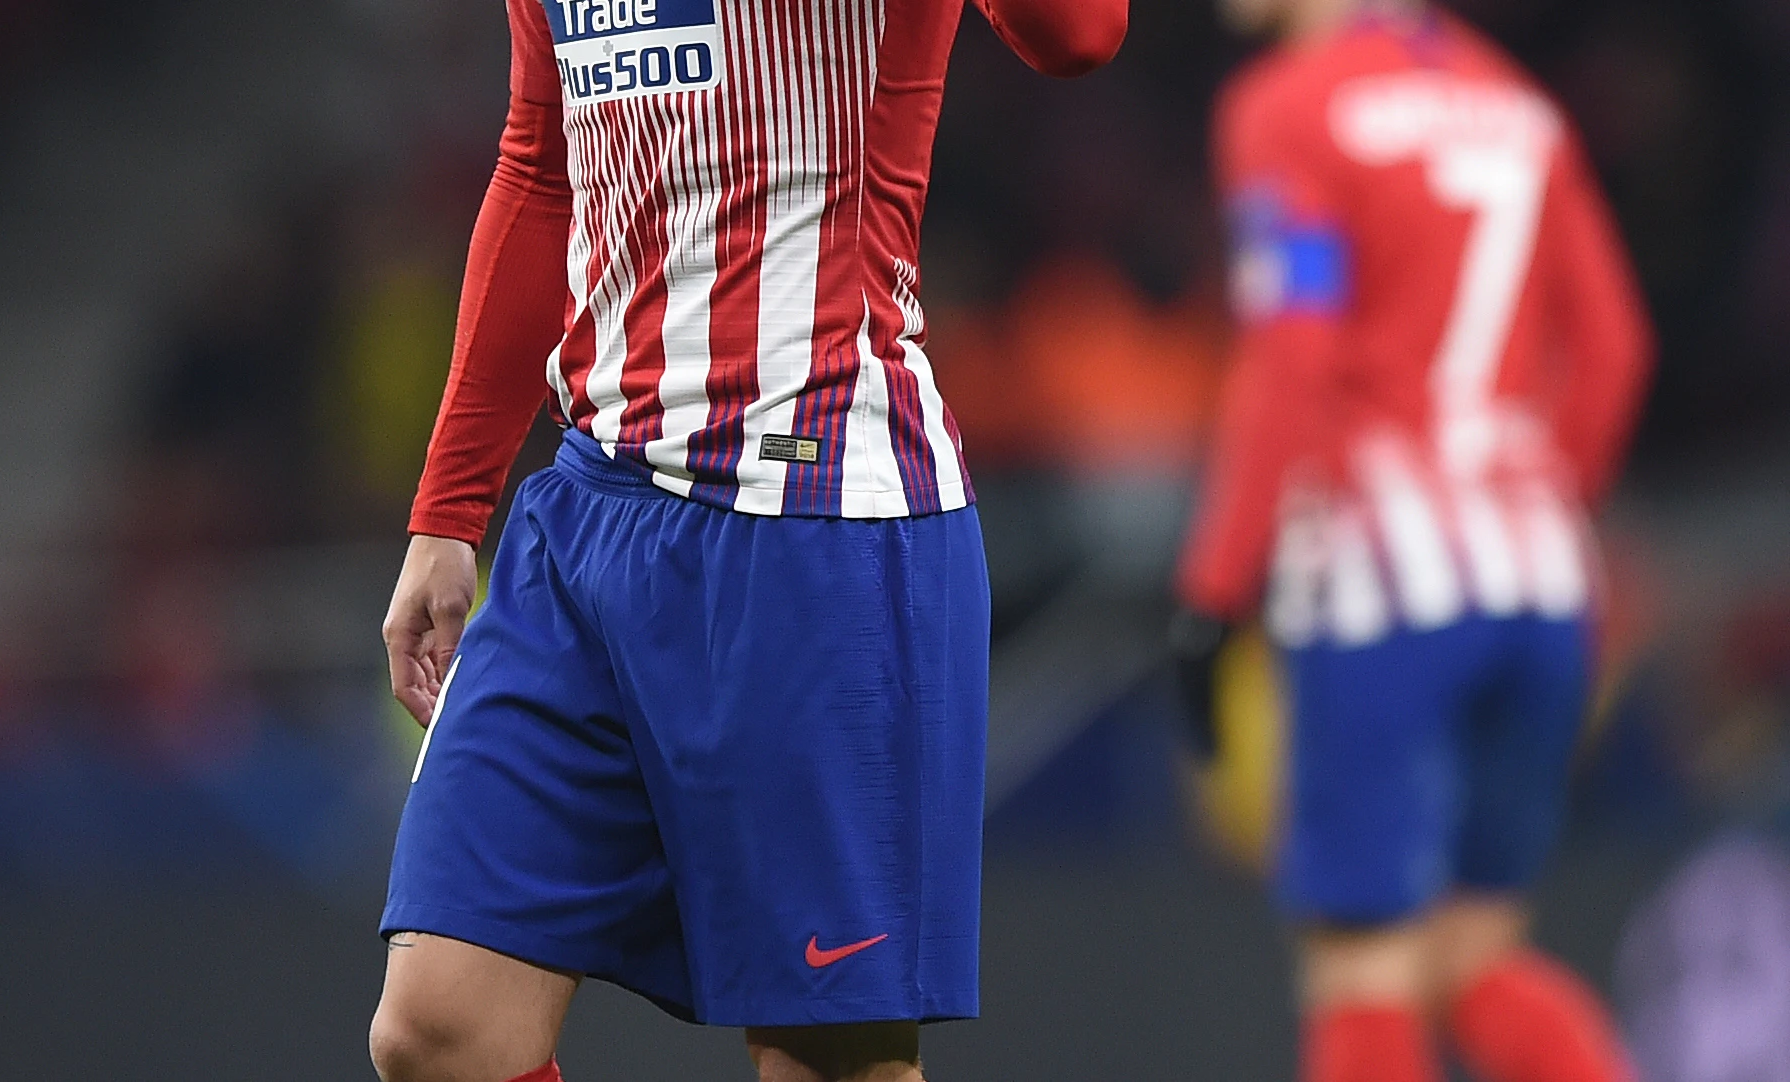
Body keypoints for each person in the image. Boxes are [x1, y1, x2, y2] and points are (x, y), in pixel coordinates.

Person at [368, 2, 1127, 1081]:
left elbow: (1077, 36)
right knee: (438, 1027)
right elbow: (542, 168)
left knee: (828, 1059)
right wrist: (447, 511)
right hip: (588, 512)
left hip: (818, 513)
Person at [1169, 2, 1654, 1081]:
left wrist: (1211, 587)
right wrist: (1528, 500)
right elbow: (1615, 345)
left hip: (1379, 583)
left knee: (1360, 970)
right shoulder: (1513, 101)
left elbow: (1292, 357)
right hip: (1537, 575)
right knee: (1472, 955)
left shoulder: (1286, 106)